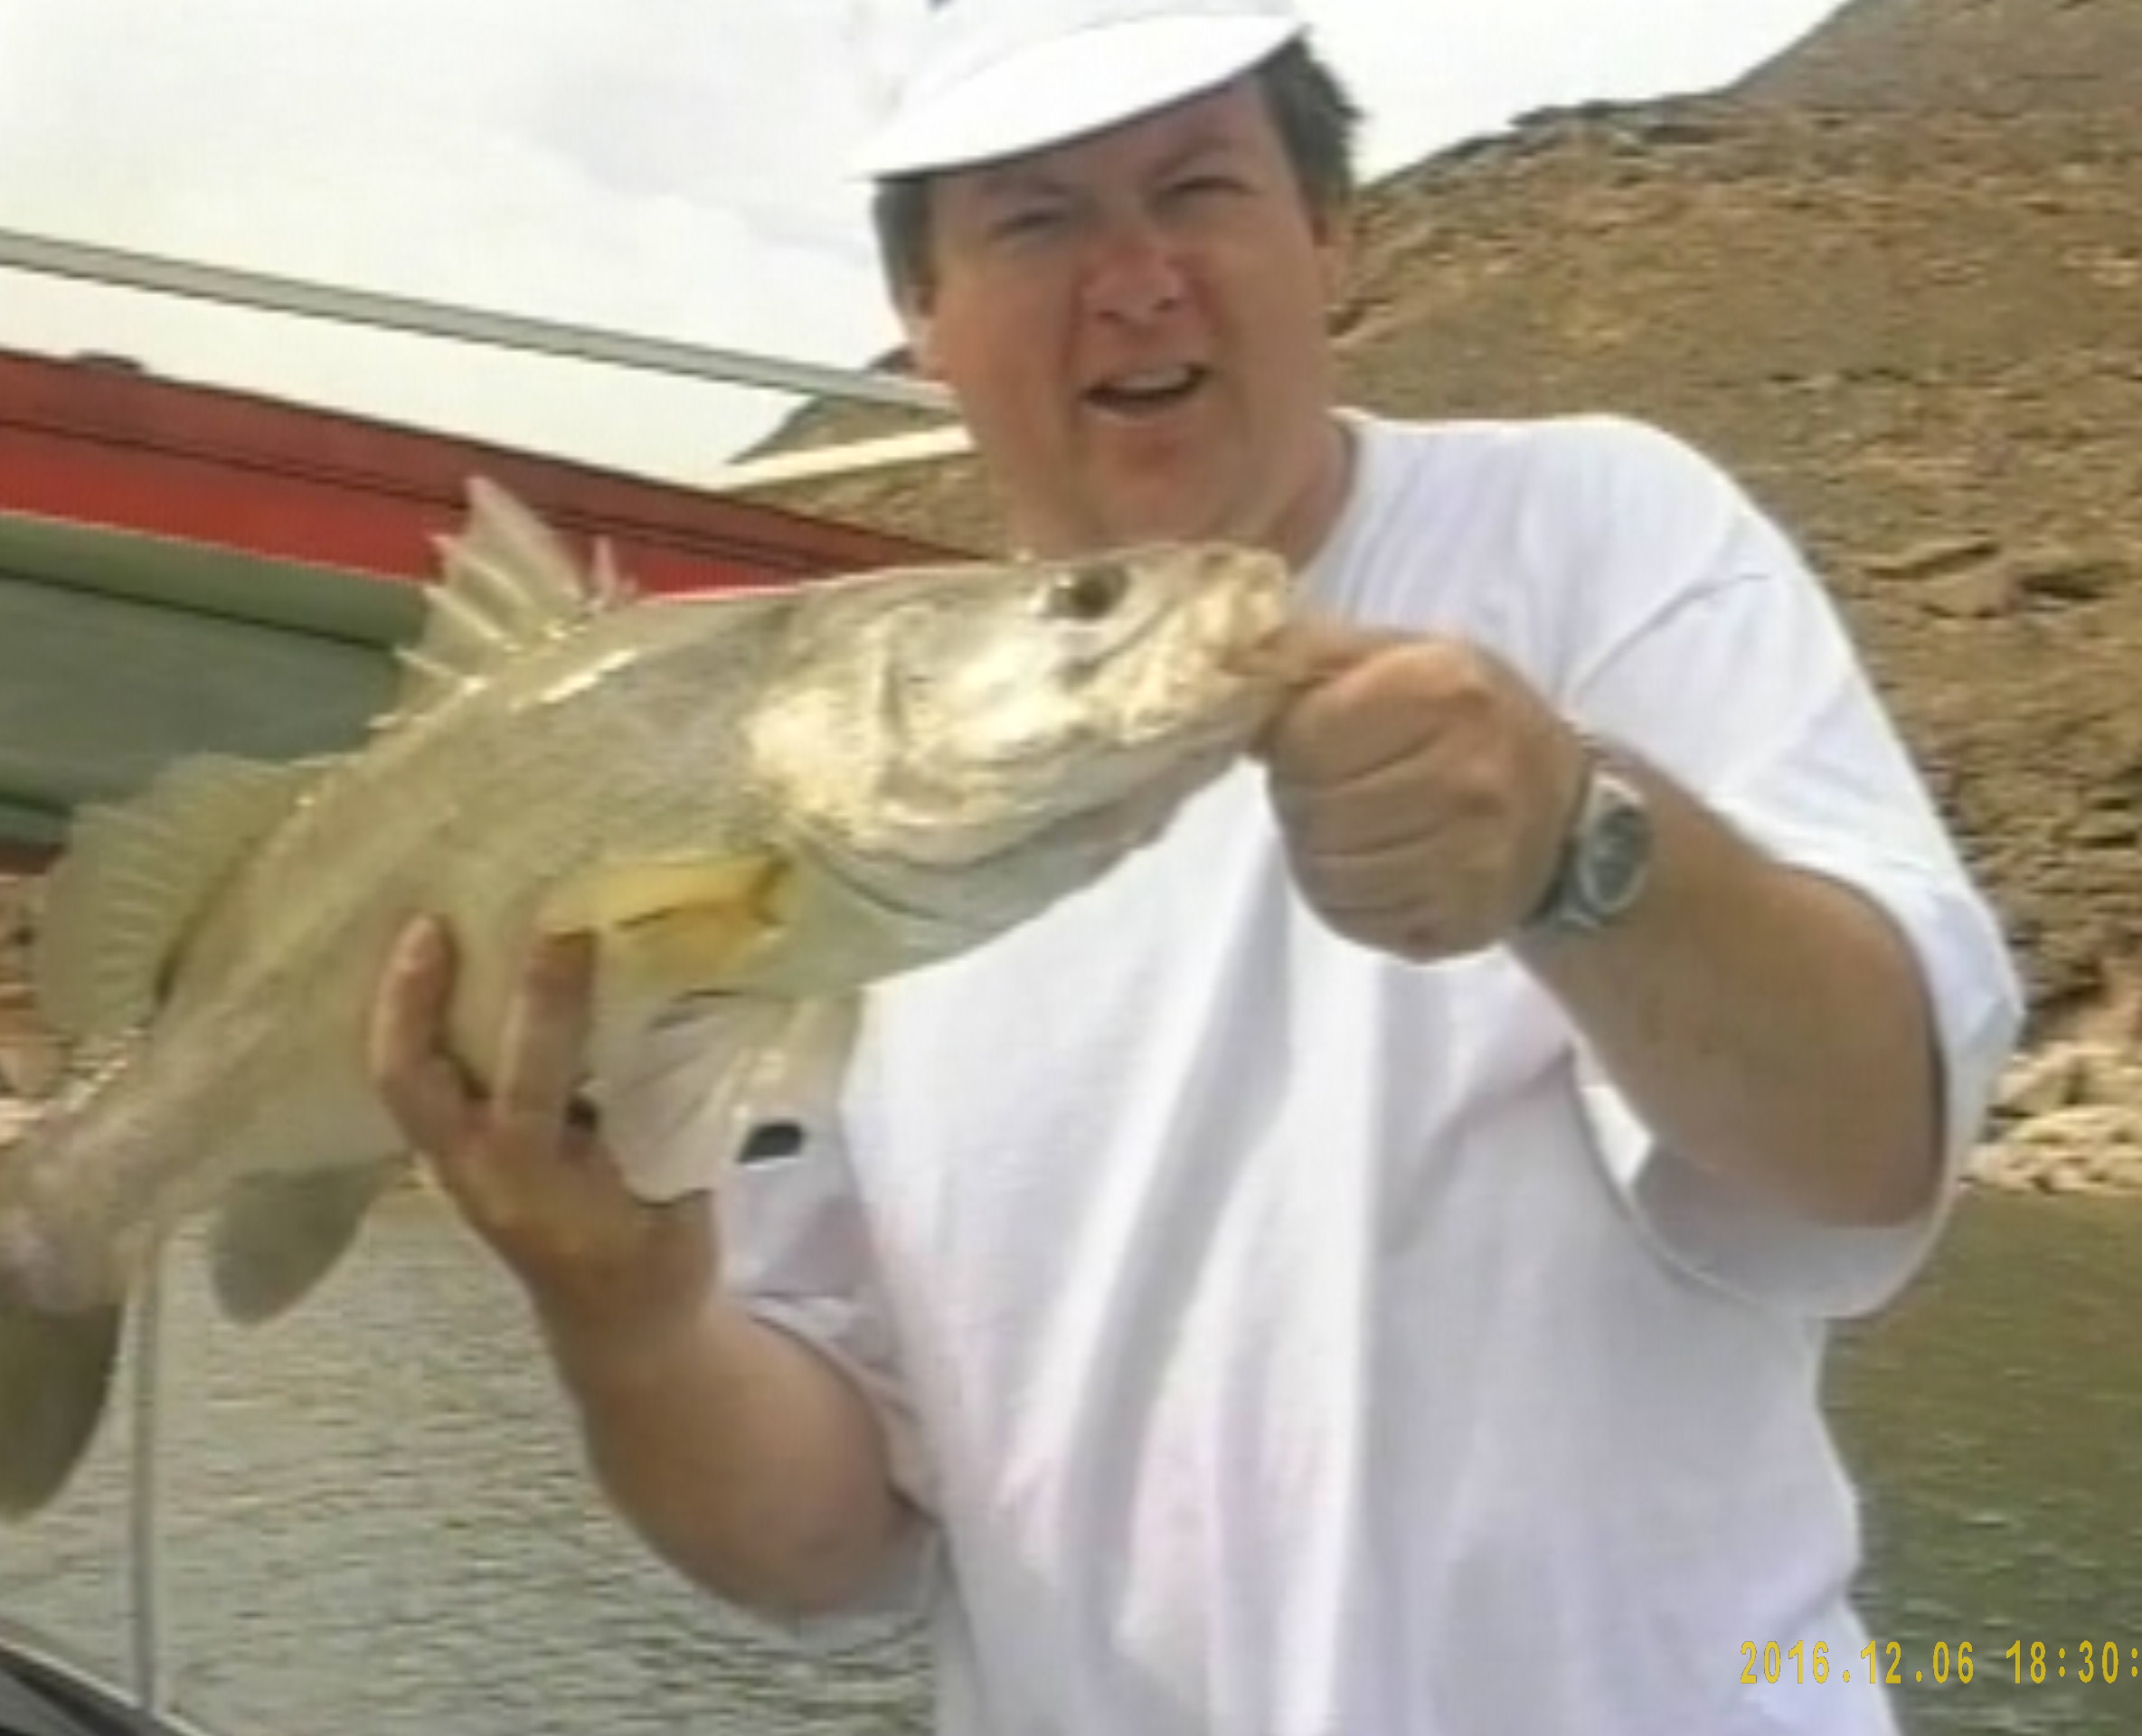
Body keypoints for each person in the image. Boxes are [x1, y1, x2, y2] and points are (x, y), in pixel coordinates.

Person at [366, 1, 2025, 1731]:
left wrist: (1578, 847)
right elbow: (826, 1542)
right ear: (919, 314)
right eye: (1035, 214)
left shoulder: (1609, 534)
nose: (1139, 276)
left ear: (1329, 232)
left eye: (1200, 187)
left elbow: (1871, 1141)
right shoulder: (829, 774)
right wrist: (626, 1320)